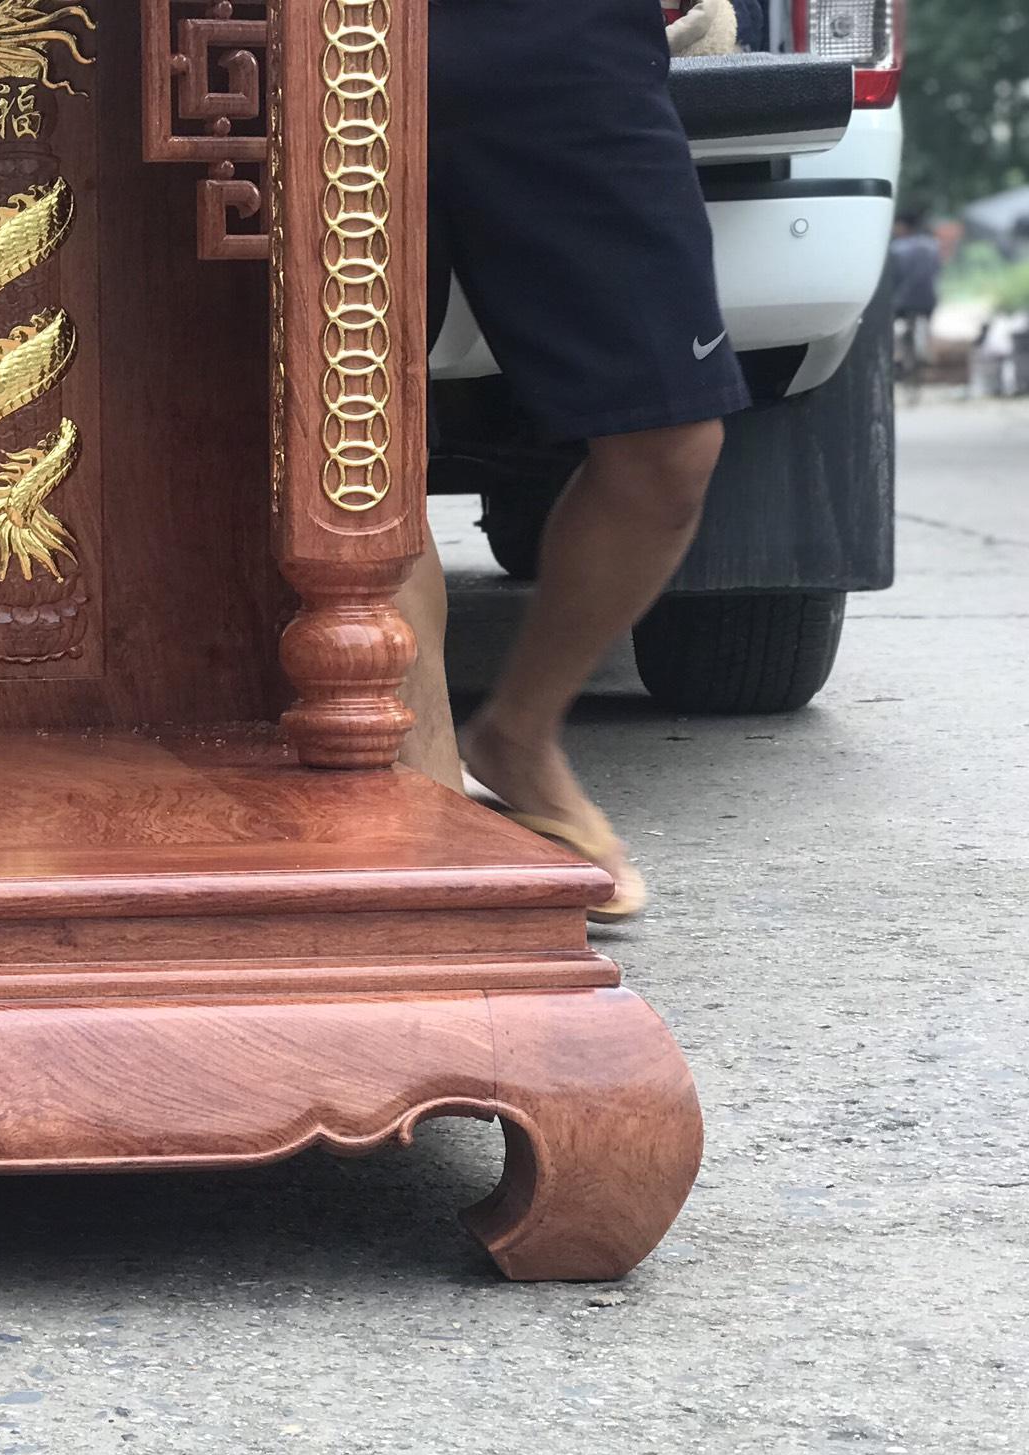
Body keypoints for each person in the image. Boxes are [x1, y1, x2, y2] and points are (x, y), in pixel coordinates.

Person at [397, 0, 749, 922]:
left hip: (565, 36)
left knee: (671, 443)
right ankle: (425, 798)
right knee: (357, 442)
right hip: (327, 40)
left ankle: (518, 735)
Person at [888, 211, 943, 384]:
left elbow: (893, 277)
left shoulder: (896, 248)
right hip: (929, 300)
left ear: (903, 226)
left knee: (891, 326)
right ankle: (927, 349)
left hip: (903, 301)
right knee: (926, 323)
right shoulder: (933, 245)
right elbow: (937, 271)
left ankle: (897, 357)